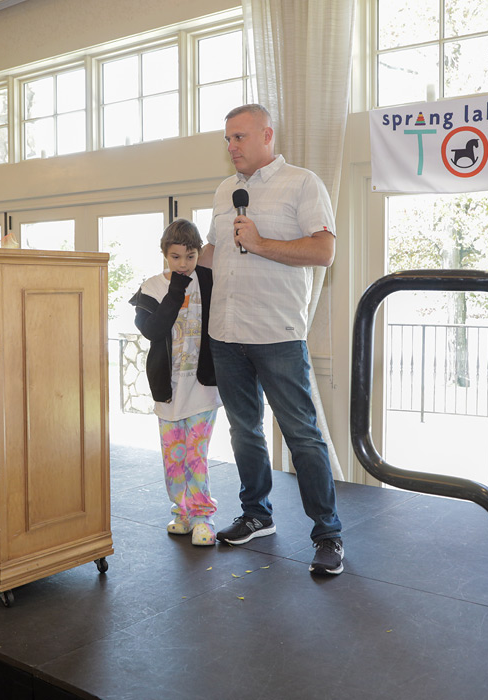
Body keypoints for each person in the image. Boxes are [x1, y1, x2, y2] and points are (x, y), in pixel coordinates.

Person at [200, 104, 344, 575]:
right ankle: (256, 515)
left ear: (267, 135)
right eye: (227, 139)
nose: (231, 146)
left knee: (302, 434)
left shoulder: (302, 183)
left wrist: (261, 244)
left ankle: (328, 534)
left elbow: (324, 250)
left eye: (239, 136)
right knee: (244, 431)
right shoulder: (225, 190)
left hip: (277, 334)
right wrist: (180, 263)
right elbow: (216, 251)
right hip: (225, 334)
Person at [129, 219, 222, 546]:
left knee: (196, 457)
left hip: (203, 389)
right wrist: (176, 290)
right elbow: (153, 331)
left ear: (198, 254)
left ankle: (202, 516)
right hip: (167, 391)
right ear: (164, 254)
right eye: (176, 257)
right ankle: (181, 512)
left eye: (190, 256)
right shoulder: (151, 288)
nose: (183, 264)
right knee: (173, 459)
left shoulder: (208, 281)